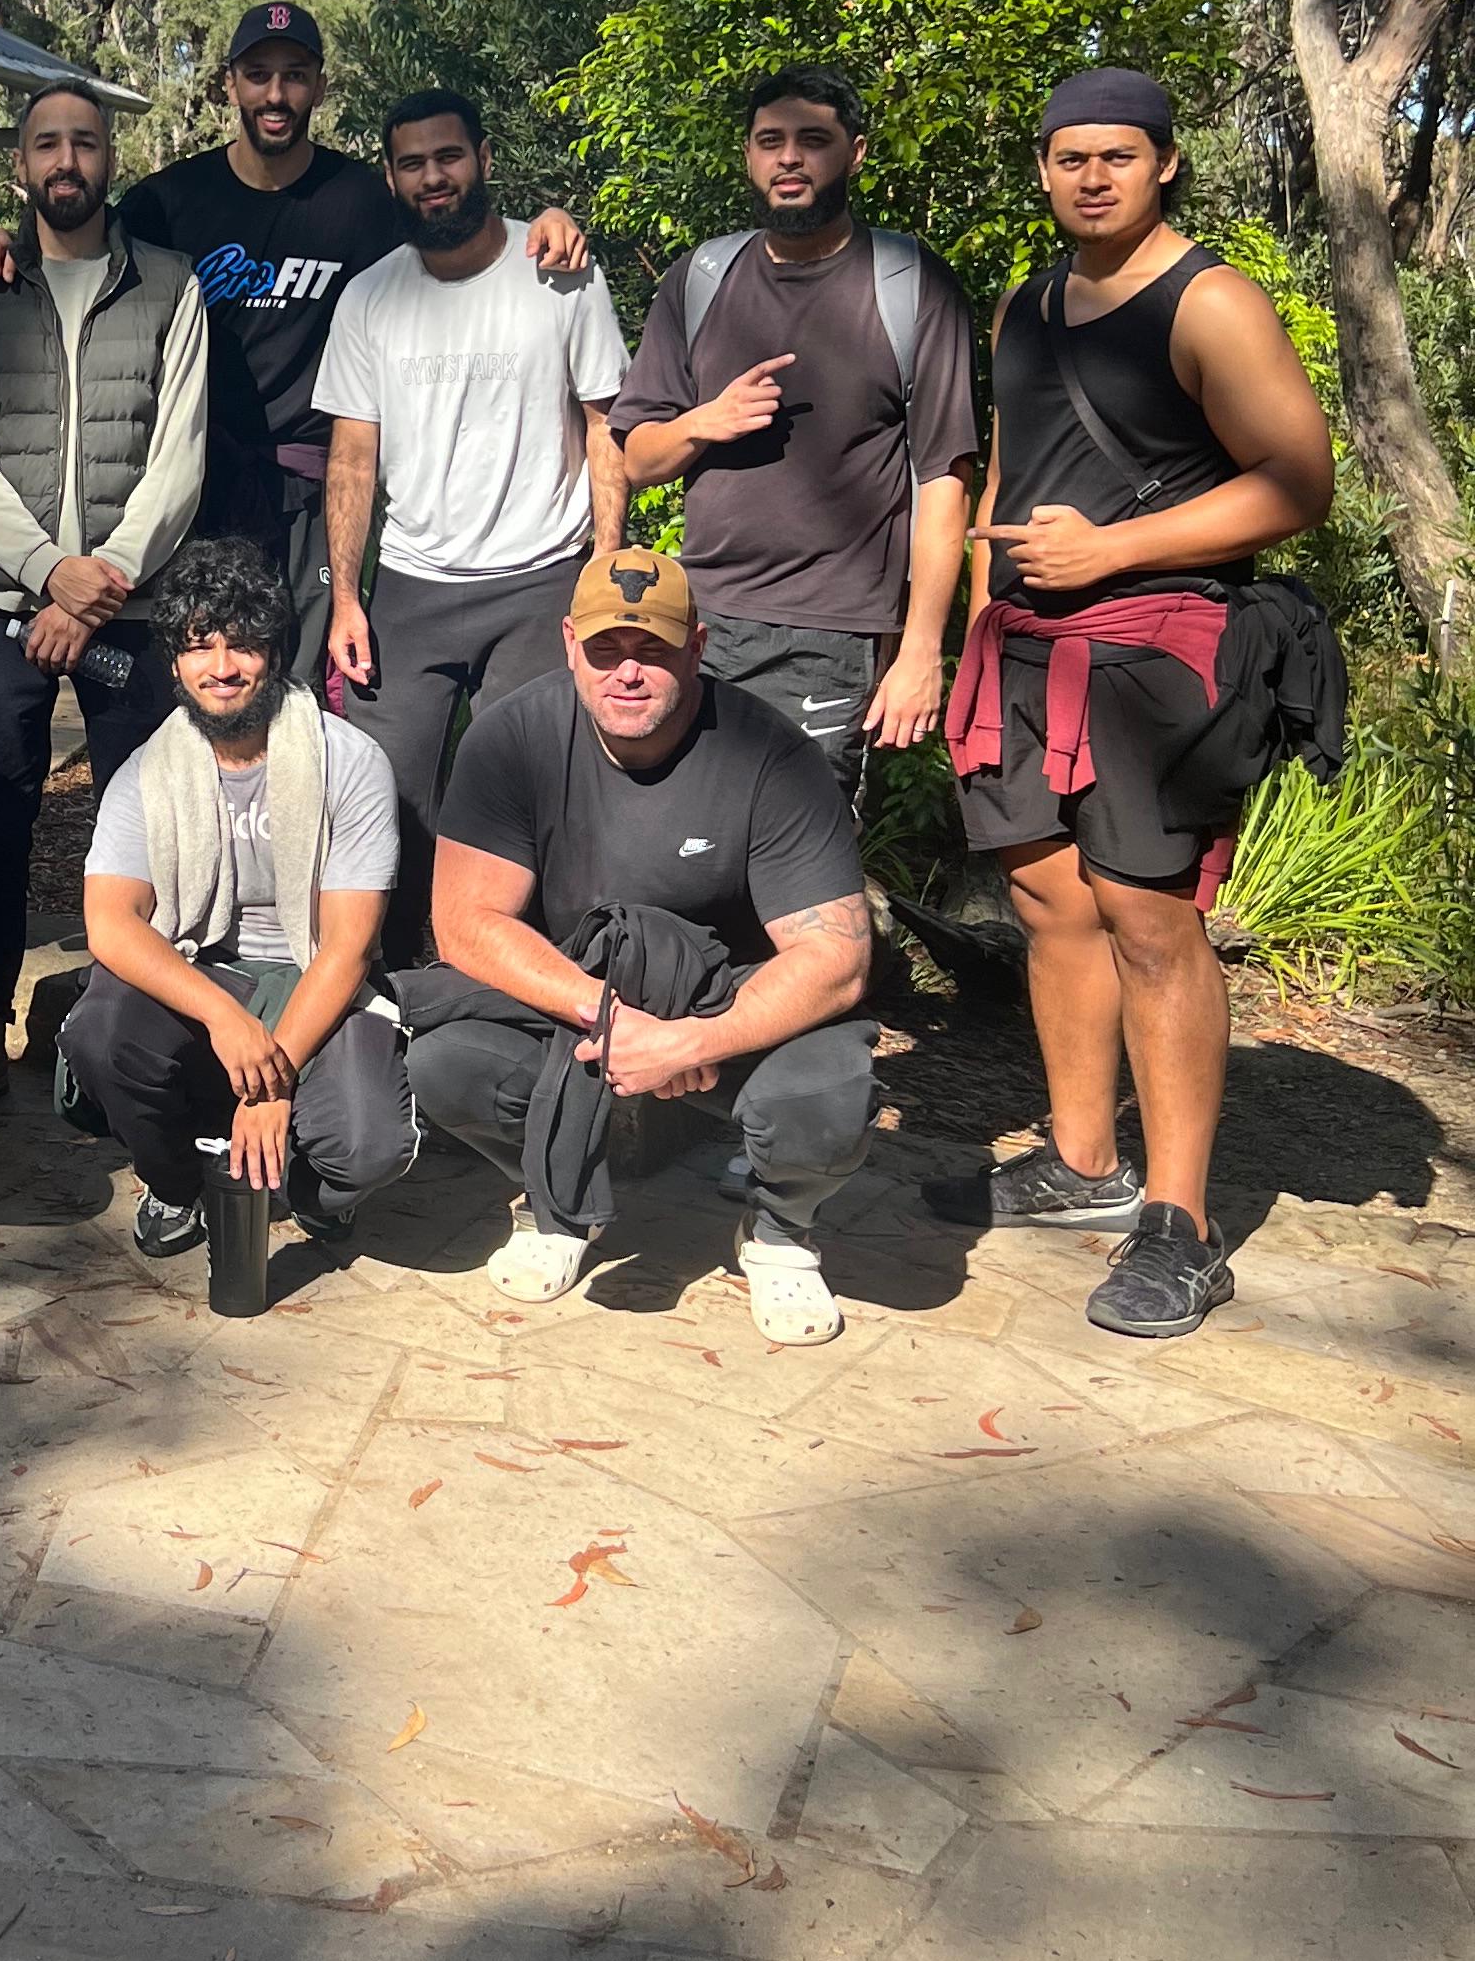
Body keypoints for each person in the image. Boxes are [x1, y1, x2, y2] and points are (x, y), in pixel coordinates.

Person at [927, 67, 1335, 1339]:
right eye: (1067, 157)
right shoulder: (1028, 303)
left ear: (1164, 164)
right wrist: (976, 626)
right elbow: (1012, 465)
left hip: (1159, 650)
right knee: (1051, 903)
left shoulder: (1210, 302)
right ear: (1044, 168)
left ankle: (1181, 1223)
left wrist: (1113, 550)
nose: (1089, 177)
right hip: (1028, 648)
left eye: (1116, 156)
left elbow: (1298, 480)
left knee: (1152, 923)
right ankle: (1081, 1162)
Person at [0, 4, 587, 685]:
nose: (276, 94)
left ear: (319, 85)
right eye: (258, 75)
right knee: (202, 682)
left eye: (294, 75)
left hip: (311, 490)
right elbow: (73, 232)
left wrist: (545, 221)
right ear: (230, 85)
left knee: (304, 684)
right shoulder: (169, 201)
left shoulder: (362, 202)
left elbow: (456, 231)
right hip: (192, 487)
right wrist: (3, 242)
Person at [404, 543, 880, 1347]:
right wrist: (614, 1020)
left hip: (725, 1011)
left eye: (653, 650)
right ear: (568, 644)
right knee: (446, 1064)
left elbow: (838, 958)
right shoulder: (510, 739)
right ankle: (556, 1193)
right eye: (606, 650)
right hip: (584, 1013)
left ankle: (780, 1230)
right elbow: (466, 924)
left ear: (697, 646)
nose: (628, 672)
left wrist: (695, 1039)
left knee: (828, 1095)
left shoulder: (773, 754)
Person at [0, 80, 207, 1110]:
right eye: (46, 143)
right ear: (20, 166)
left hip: (130, 608)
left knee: (139, 817)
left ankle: (127, 1028)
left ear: (110, 159)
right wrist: (52, 572)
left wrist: (102, 583)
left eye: (84, 143)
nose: (66, 161)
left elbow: (176, 460)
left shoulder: (172, 287)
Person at [610, 67, 981, 788]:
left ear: (856, 152)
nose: (789, 158)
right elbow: (639, 459)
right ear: (747, 155)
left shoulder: (909, 284)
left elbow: (945, 481)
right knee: (681, 833)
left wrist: (919, 650)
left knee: (801, 856)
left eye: (813, 141)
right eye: (770, 141)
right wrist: (707, 421)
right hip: (698, 620)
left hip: (835, 632)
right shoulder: (702, 278)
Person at [64, 534, 417, 1277]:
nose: (221, 668)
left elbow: (348, 948)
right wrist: (226, 1019)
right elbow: (111, 923)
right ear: (174, 661)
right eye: (199, 647)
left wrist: (273, 1080)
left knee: (367, 1146)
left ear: (275, 649)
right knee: (100, 1033)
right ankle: (176, 1183)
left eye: (242, 645)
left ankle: (314, 1185)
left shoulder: (348, 763)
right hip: (207, 970)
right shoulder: (147, 773)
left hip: (313, 971)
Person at [320, 87, 631, 920]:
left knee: (525, 804)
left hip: (539, 584)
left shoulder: (559, 275)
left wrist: (602, 565)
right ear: (392, 178)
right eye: (414, 164)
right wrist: (348, 599)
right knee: (379, 803)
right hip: (412, 589)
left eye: (449, 157)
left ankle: (512, 991)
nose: (434, 177)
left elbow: (605, 424)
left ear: (484, 160)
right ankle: (378, 997)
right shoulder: (370, 298)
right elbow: (352, 458)